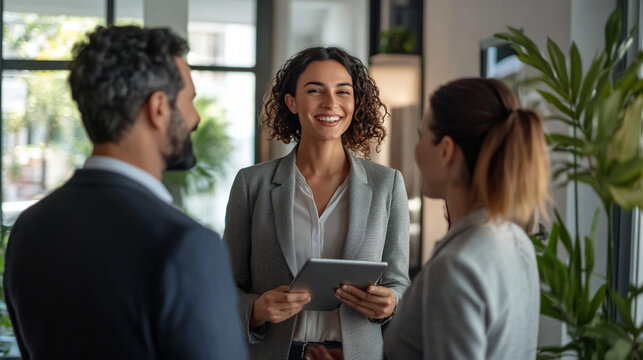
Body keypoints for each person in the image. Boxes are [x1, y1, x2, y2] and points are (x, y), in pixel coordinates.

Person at [3, 25, 247, 360]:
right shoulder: (187, 245)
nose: (195, 117)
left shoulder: (29, 228)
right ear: (159, 108)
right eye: (190, 100)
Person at [223, 46, 411, 360]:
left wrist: (390, 302)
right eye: (315, 90)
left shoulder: (386, 185)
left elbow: (399, 283)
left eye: (343, 91)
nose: (331, 103)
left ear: (355, 102)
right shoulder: (250, 184)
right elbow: (225, 288)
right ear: (292, 102)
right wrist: (255, 310)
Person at [380, 77, 548, 359]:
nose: (416, 150)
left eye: (422, 136)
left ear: (446, 150)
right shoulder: (516, 240)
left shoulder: (456, 267)